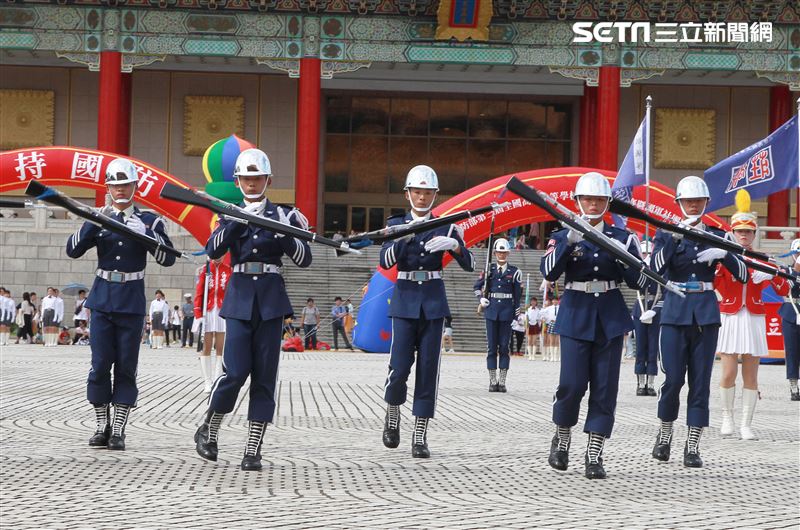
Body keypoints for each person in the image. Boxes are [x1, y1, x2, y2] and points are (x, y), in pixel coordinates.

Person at [194, 147, 312, 471]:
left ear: (268, 179)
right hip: (241, 298)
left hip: (271, 301)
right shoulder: (228, 213)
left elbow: (304, 259)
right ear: (237, 181)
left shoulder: (283, 215)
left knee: (265, 377)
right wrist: (233, 222)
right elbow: (213, 251)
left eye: (257, 177)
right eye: (246, 178)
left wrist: (285, 232)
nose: (251, 184)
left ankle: (253, 448)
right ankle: (210, 428)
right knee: (234, 372)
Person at [541, 171, 646, 479]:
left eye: (599, 199)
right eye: (587, 198)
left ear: (608, 203)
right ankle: (561, 438)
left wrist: (629, 258)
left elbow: (638, 280)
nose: (593, 204)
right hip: (575, 313)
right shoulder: (562, 235)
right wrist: (568, 241)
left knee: (604, 389)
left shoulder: (622, 237)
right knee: (571, 384)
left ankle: (594, 453)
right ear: (577, 201)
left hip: (610, 316)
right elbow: (548, 272)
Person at [66, 157, 176, 450]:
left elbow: (167, 258)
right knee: (100, 365)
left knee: (126, 367)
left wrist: (147, 233)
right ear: (108, 188)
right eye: (115, 185)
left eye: (126, 184)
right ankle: (102, 424)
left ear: (135, 186)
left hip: (130, 300)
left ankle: (119, 429)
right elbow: (73, 250)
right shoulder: (99, 218)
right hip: (102, 299)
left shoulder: (150, 220)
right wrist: (93, 220)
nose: (121, 190)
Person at [650, 175, 748, 468]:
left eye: (698, 201)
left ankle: (692, 445)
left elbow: (742, 272)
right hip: (676, 311)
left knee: (700, 383)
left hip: (705, 313)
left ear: (706, 203)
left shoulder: (717, 233)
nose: (693, 206)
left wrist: (724, 253)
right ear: (679, 204)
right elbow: (654, 268)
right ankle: (664, 435)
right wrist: (674, 239)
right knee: (673, 380)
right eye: (688, 201)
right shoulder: (665, 233)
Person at [380, 165, 474, 458]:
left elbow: (469, 264)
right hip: (405, 299)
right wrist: (403, 237)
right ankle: (393, 413)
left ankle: (419, 434)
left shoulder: (447, 225)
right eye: (417, 192)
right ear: (407, 194)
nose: (422, 198)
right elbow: (385, 261)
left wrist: (456, 246)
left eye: (427, 193)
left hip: (433, 301)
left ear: (435, 195)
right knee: (398, 368)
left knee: (428, 370)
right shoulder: (395, 223)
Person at [716, 194, 791, 440]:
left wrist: (775, 273)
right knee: (728, 373)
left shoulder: (764, 258)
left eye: (748, 232)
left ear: (754, 233)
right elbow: (715, 283)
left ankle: (746, 424)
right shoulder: (724, 258)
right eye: (740, 232)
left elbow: (783, 290)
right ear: (733, 233)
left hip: (754, 317)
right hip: (731, 315)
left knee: (751, 373)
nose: (744, 236)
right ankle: (727, 417)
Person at [474, 237, 522, 392]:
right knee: (491, 348)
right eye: (499, 252)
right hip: (491, 311)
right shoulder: (489, 270)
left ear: (508, 253)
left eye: (504, 252)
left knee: (504, 347)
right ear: (494, 253)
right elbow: (477, 287)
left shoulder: (515, 272)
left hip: (507, 312)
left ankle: (502, 381)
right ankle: (492, 380)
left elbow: (517, 296)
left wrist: (516, 317)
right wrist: (480, 298)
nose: (501, 255)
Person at [193, 256, 231, 392]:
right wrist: (198, 314)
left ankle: (217, 378)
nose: (218, 257)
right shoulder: (205, 270)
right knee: (206, 347)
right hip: (207, 311)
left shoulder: (228, 270)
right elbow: (199, 293)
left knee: (221, 348)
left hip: (222, 310)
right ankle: (207, 381)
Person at [632, 240, 661, 397]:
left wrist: (655, 310)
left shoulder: (659, 269)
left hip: (655, 310)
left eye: (649, 253)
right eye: (644, 253)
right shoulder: (639, 267)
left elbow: (663, 292)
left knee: (653, 349)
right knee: (640, 348)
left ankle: (650, 383)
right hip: (640, 310)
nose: (647, 256)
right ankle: (640, 382)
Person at [775, 238, 800, 401]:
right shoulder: (787, 271)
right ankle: (793, 386)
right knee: (792, 351)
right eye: (798, 253)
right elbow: (787, 286)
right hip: (792, 311)